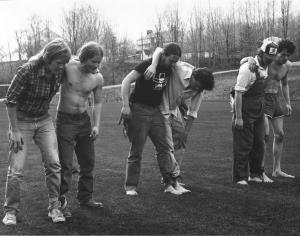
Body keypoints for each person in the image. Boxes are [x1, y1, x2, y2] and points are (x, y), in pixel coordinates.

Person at [2, 38, 71, 225]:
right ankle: (10, 211)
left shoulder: (60, 71)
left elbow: (79, 65)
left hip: (43, 120)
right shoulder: (27, 71)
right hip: (22, 122)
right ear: (48, 58)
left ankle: (54, 207)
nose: (61, 67)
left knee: (54, 164)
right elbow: (10, 100)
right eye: (58, 63)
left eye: (64, 63)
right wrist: (14, 130)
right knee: (16, 169)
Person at [144, 47, 215, 188]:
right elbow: (159, 50)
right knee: (167, 146)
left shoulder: (199, 89)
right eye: (198, 87)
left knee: (181, 141)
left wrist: (185, 133)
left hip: (173, 111)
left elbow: (193, 112)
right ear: (194, 77)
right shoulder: (179, 69)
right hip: (160, 110)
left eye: (201, 89)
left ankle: (173, 177)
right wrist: (153, 65)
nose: (198, 90)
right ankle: (170, 180)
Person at [120, 43, 184, 196]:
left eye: (175, 61)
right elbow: (126, 81)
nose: (173, 64)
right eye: (171, 60)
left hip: (155, 111)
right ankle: (131, 186)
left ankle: (169, 183)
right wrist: (125, 106)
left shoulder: (169, 67)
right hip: (139, 110)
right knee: (137, 150)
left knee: (164, 147)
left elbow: (160, 51)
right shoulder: (147, 64)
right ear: (164, 55)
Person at [56, 41, 104, 218]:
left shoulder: (97, 78)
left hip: (84, 122)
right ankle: (60, 203)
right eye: (93, 61)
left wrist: (96, 124)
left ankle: (85, 197)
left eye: (99, 62)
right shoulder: (68, 67)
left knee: (88, 163)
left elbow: (98, 102)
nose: (96, 65)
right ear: (84, 58)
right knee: (65, 165)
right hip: (65, 121)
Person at [232, 40, 278, 185]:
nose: (270, 60)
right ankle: (240, 177)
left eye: (272, 58)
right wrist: (238, 117)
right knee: (243, 145)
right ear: (261, 53)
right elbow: (238, 93)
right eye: (268, 57)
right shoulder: (248, 68)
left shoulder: (266, 65)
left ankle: (255, 174)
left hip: (259, 107)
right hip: (244, 108)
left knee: (259, 143)